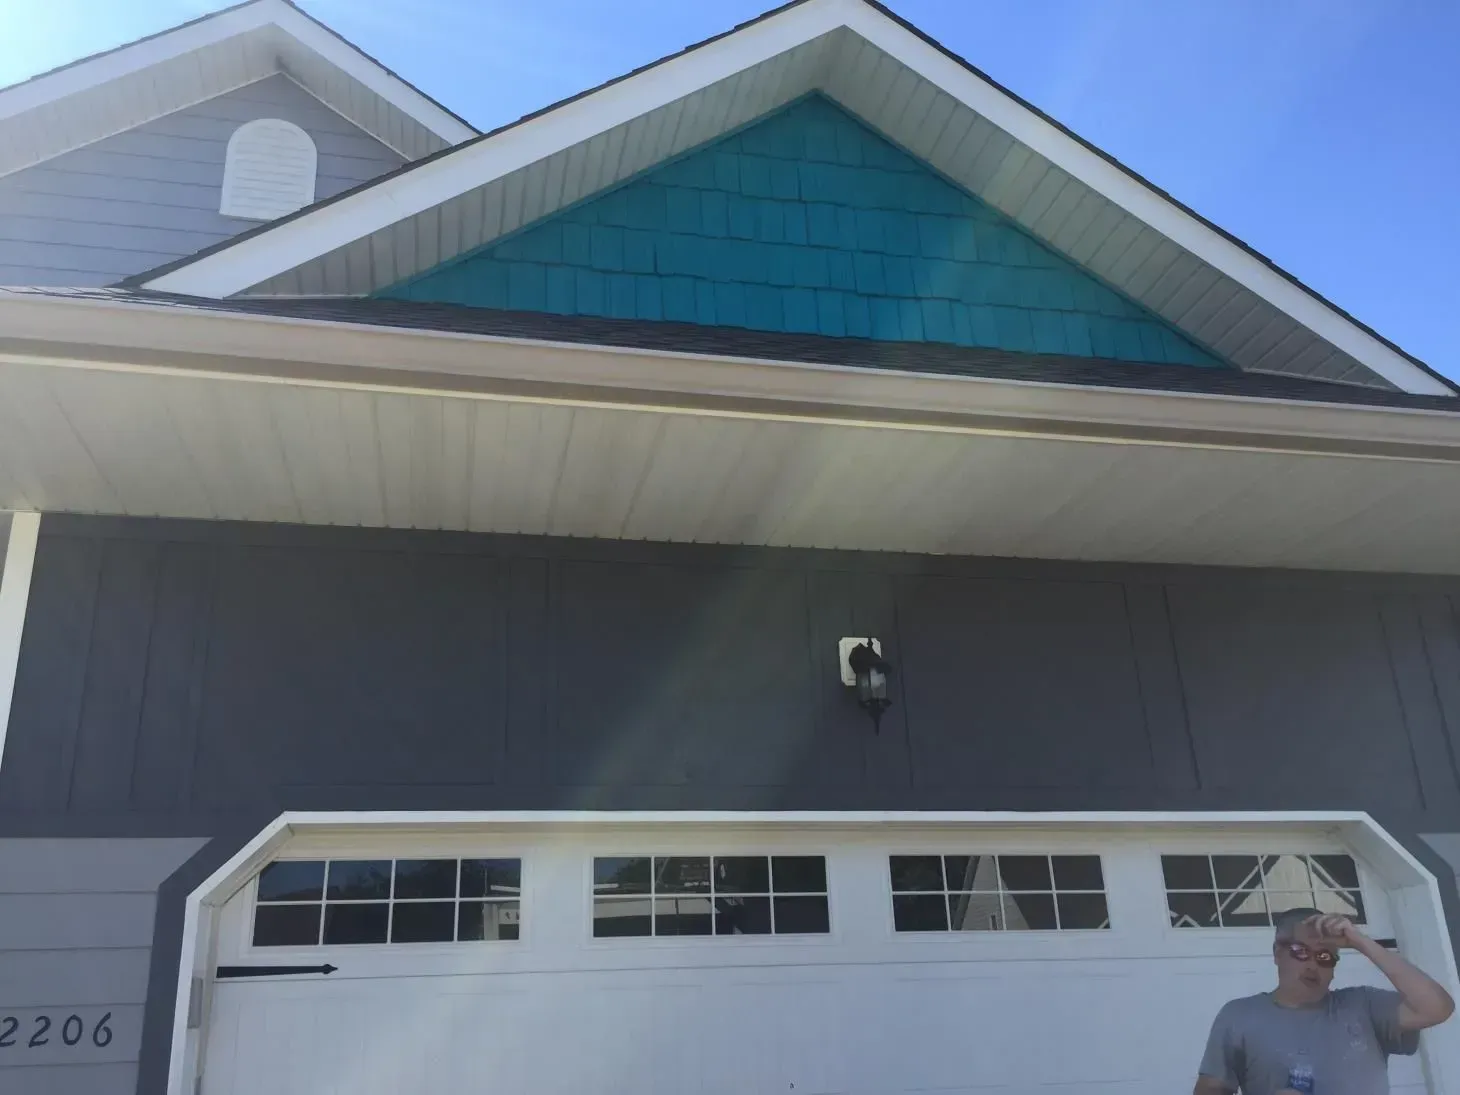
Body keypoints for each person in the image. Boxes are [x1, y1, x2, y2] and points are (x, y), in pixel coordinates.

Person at [1194, 907, 1454, 1094]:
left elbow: (1437, 1007)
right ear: (1277, 952)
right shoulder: (1239, 1015)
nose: (1312, 965)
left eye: (1324, 957)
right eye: (1300, 951)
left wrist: (1359, 941)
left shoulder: (1363, 1005)